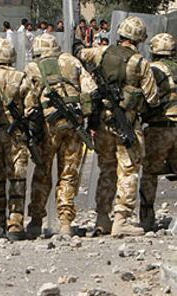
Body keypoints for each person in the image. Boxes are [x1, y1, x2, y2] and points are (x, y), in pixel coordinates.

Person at [76, 16, 158, 237]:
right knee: (129, 171)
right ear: (139, 39)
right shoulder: (140, 63)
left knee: (107, 169)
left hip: (102, 124)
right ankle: (121, 219)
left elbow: (81, 54)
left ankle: (102, 218)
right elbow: (152, 98)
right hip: (126, 124)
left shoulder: (101, 51)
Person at [25, 33, 98, 238]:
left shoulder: (33, 68)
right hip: (74, 126)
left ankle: (36, 222)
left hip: (49, 127)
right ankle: (65, 222)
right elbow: (90, 90)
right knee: (69, 174)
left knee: (43, 172)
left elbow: (29, 102)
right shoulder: (71, 61)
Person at [0, 38, 41, 241]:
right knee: (17, 180)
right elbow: (31, 109)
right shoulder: (21, 78)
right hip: (16, 136)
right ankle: (15, 224)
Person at [140, 33, 177, 232]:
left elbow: (147, 98)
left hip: (159, 128)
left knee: (150, 173)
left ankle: (147, 219)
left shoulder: (152, 70)